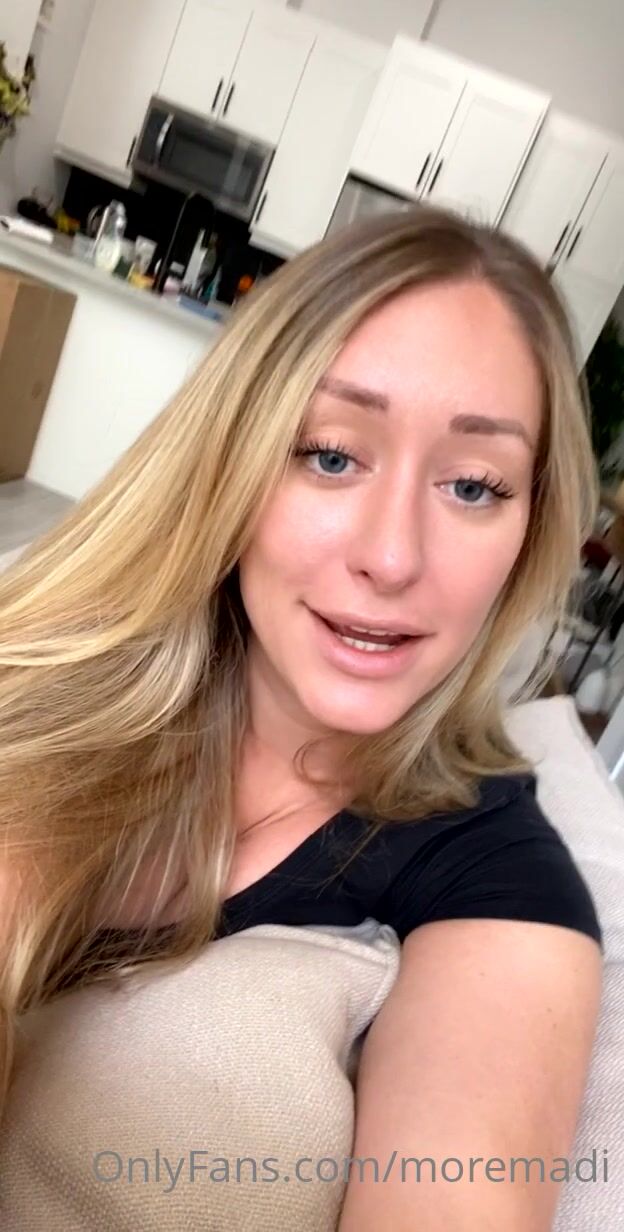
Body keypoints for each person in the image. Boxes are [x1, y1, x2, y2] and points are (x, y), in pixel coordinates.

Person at [0, 205, 603, 1230]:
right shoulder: (54, 669)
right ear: (230, 460)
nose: (392, 556)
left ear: (530, 527)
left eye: (473, 485)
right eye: (330, 454)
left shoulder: (500, 880)